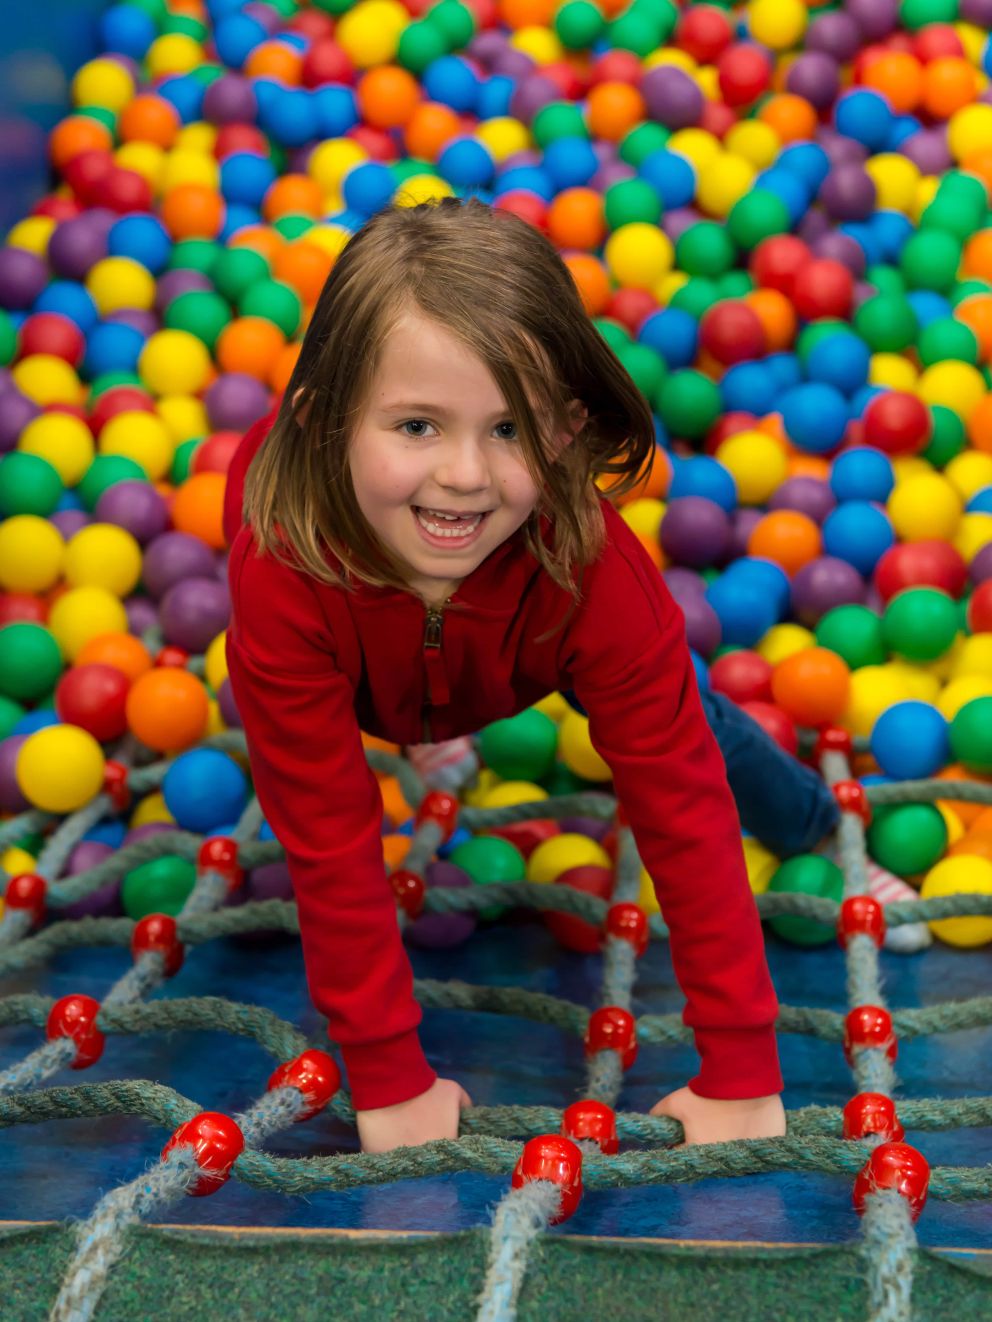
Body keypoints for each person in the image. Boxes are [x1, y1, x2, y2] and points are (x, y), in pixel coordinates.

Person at [225, 196, 793, 1156]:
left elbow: (682, 803)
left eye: (509, 429)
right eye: (415, 425)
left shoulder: (592, 566)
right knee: (320, 795)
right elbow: (327, 837)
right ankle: (428, 744)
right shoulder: (284, 565)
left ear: (568, 429)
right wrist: (390, 1079)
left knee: (687, 718)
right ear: (322, 427)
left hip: (527, 651)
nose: (464, 475)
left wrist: (741, 1067)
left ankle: (812, 816)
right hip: (360, 658)